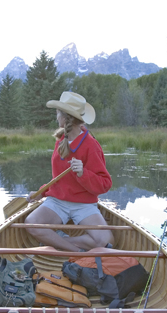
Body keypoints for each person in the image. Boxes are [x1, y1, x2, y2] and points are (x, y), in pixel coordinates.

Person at [25, 92, 114, 252]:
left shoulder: (91, 145)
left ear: (66, 118)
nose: (56, 117)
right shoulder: (60, 142)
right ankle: (75, 250)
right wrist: (42, 192)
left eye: (58, 113)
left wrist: (83, 173)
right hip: (58, 202)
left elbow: (105, 184)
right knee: (31, 222)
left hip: (84, 204)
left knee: (105, 240)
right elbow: (58, 180)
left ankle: (62, 241)